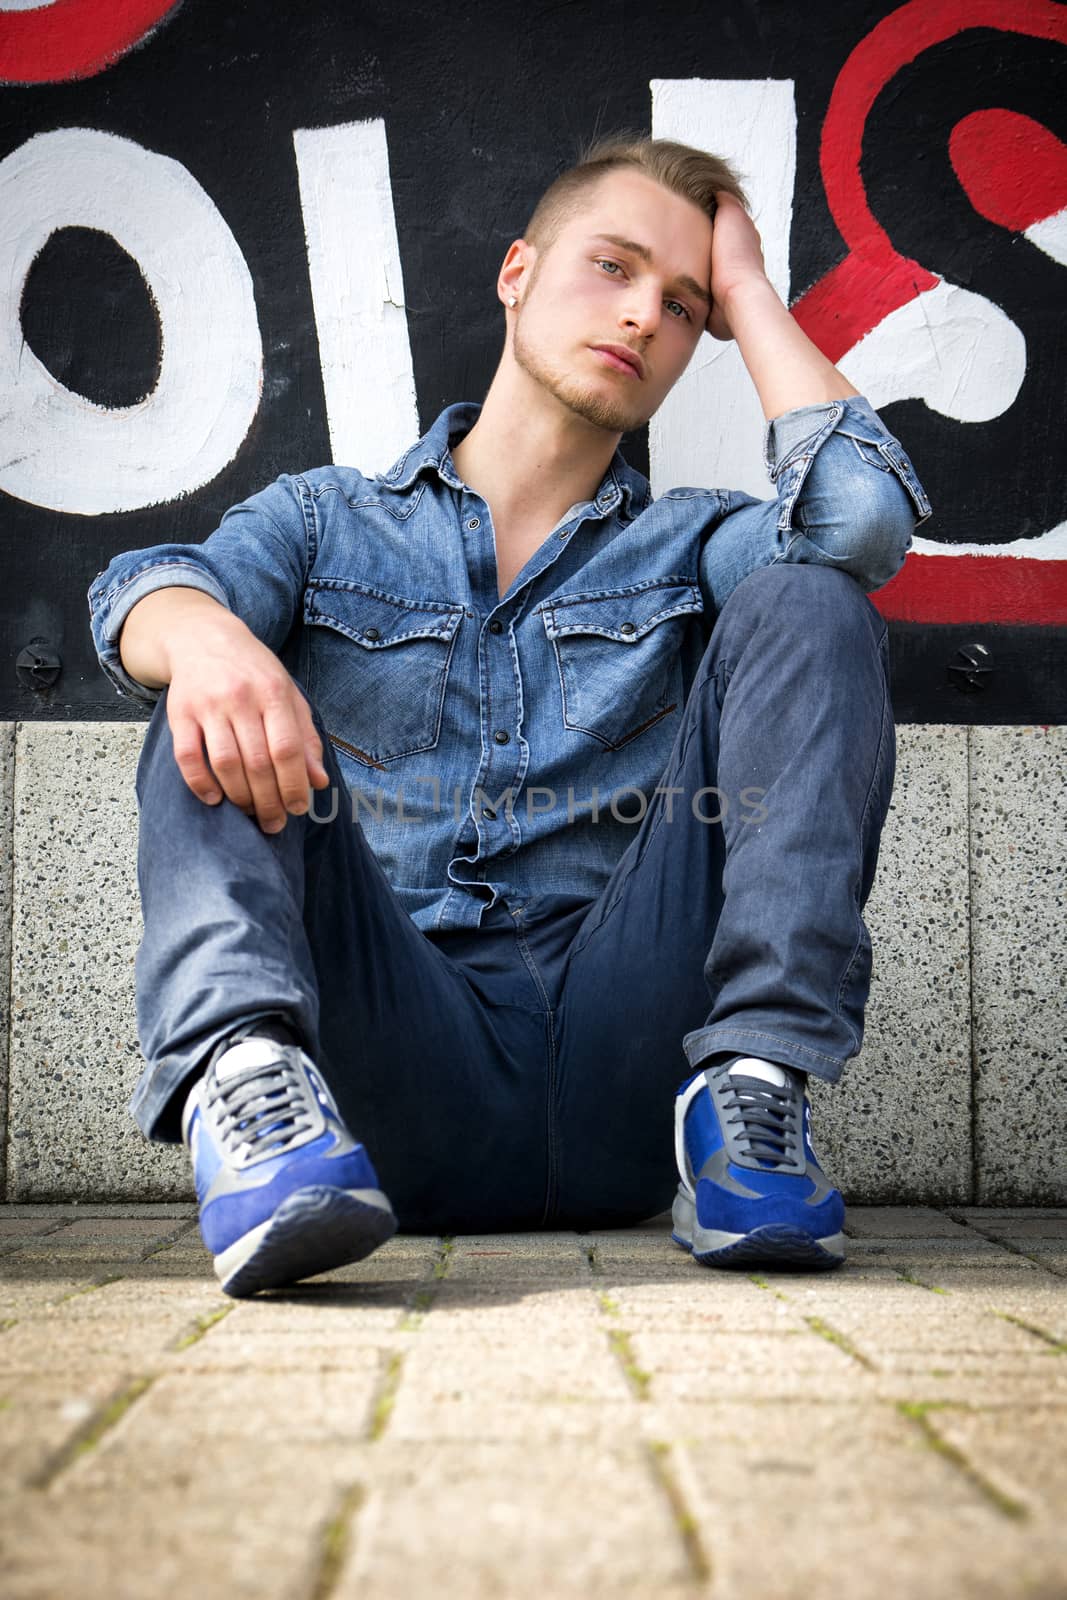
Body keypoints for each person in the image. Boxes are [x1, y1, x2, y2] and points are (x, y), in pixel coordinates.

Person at [88, 136, 930, 1298]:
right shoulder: (328, 522)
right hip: (399, 1072)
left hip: (634, 1054)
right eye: (612, 268)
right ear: (515, 273)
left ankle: (755, 1088)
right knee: (204, 676)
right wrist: (205, 635)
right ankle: (250, 1098)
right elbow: (140, 593)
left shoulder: (693, 542)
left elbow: (859, 527)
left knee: (812, 596)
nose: (642, 317)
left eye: (680, 305)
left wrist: (748, 293)